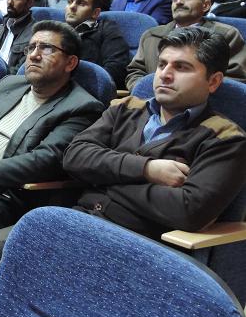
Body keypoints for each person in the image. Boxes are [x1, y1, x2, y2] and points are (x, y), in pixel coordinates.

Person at [64, 27, 246, 239]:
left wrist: (104, 179)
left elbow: (190, 210)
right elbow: (74, 155)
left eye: (181, 67)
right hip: (79, 221)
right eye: (161, 64)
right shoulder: (126, 107)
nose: (164, 75)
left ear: (213, 81)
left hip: (138, 245)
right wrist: (147, 169)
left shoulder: (226, 138)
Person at [0, 20, 105, 228]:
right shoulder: (9, 84)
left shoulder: (82, 107)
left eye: (46, 48)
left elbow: (45, 159)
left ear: (70, 63)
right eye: (31, 47)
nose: (34, 55)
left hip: (2, 194)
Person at [126, 0, 246, 89]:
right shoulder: (151, 36)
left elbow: (235, 79)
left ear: (205, 5)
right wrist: (149, 91)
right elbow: (135, 72)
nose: (179, 2)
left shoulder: (226, 35)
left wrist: (187, 93)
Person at [64, 0, 130, 89]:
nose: (72, 6)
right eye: (70, 1)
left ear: (95, 13)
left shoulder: (107, 29)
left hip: (85, 90)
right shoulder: (58, 31)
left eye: (81, 3)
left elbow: (116, 69)